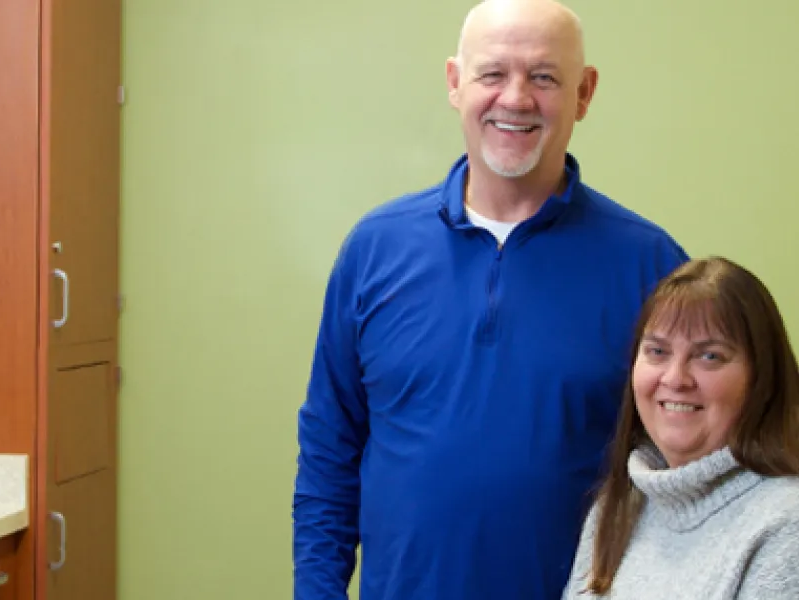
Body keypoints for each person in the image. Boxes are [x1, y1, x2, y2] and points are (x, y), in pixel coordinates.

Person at [292, 0, 689, 598]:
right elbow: (330, 449)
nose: (516, 98)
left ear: (584, 93)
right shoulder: (374, 250)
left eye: (545, 77)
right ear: (456, 83)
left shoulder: (651, 266)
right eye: (493, 74)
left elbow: (695, 468)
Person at [563, 257, 799, 599]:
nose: (675, 378)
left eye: (709, 357)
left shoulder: (785, 524)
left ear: (762, 379)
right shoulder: (617, 511)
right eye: (657, 351)